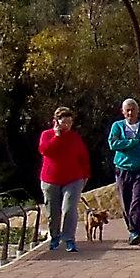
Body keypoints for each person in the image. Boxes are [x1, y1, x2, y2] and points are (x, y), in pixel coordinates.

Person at [37, 107, 91, 253]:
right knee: (53, 211)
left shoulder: (75, 137)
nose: (67, 125)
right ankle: (54, 236)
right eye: (64, 122)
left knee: (69, 209)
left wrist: (85, 175)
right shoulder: (47, 135)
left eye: (69, 122)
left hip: (73, 179)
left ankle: (69, 239)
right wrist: (57, 136)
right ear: (56, 122)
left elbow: (83, 157)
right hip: (50, 179)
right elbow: (45, 150)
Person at [108, 98, 140, 245]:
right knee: (125, 201)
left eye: (133, 109)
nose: (130, 112)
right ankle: (131, 228)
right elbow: (112, 143)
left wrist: (125, 147)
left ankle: (135, 231)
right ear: (123, 112)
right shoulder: (117, 126)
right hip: (122, 169)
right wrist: (133, 142)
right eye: (127, 110)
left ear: (138, 110)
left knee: (137, 200)